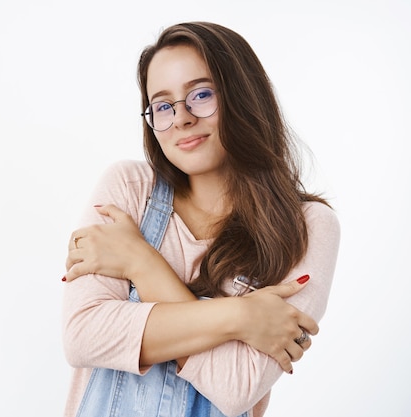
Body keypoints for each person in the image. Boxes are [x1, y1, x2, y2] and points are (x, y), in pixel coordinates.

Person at [60, 21, 340, 417]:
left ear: (242, 96)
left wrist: (141, 262)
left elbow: (235, 386)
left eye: (201, 95)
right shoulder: (128, 189)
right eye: (163, 105)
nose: (182, 119)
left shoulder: (308, 226)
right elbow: (83, 336)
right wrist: (241, 315)